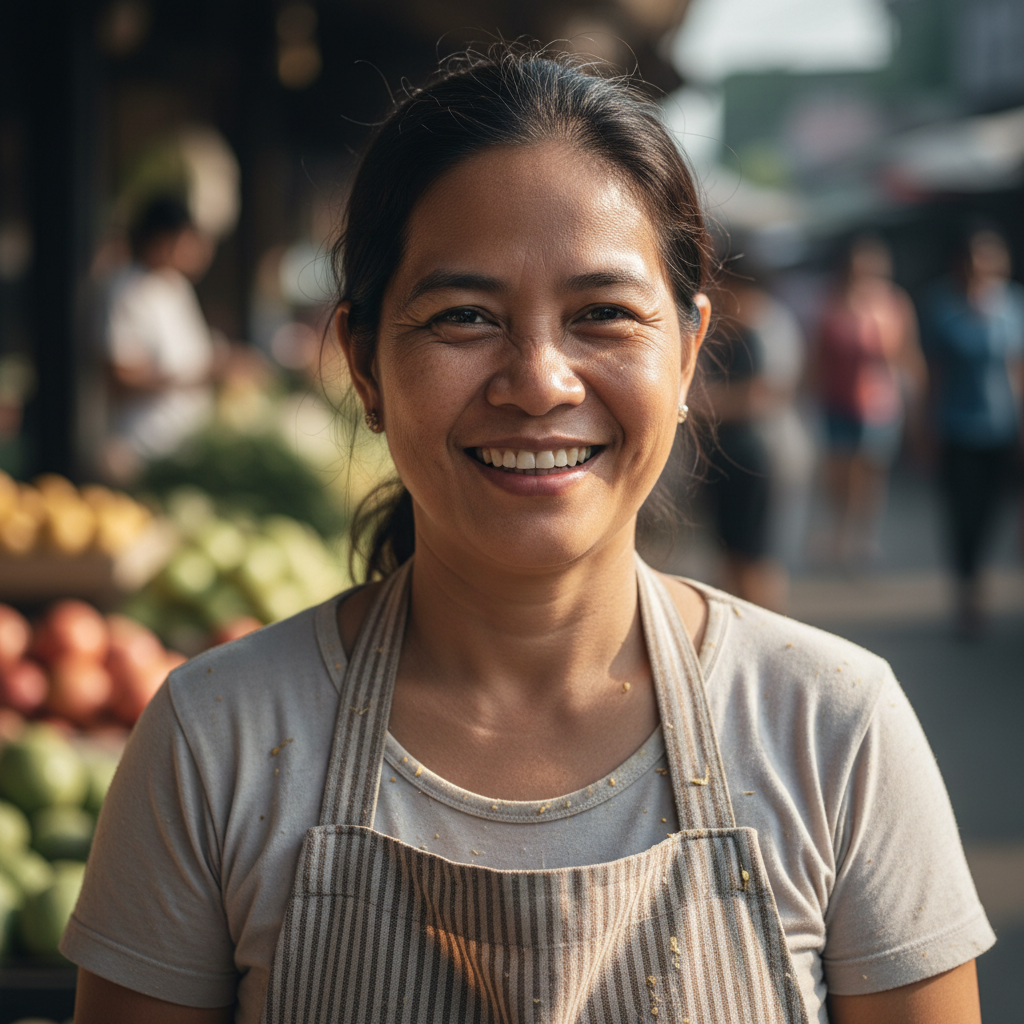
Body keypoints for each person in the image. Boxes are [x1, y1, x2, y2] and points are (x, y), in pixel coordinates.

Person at [63, 48, 992, 1024]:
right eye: (464, 316)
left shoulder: (831, 729)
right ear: (364, 366)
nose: (540, 381)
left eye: (601, 314)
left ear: (684, 359)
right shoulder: (217, 743)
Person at [920, 226, 1024, 637]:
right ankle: (968, 591)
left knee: (993, 512)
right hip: (956, 429)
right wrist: (925, 430)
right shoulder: (942, 307)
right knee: (964, 515)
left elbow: (1017, 370)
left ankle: (979, 578)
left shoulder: (1013, 305)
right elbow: (933, 374)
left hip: (1002, 429)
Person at [812, 236, 926, 569]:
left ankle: (860, 536)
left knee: (870, 473)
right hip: (837, 402)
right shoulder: (832, 302)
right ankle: (841, 530)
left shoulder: (894, 303)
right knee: (841, 473)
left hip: (879, 405)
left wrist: (918, 407)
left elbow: (909, 355)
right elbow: (817, 357)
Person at [102, 196, 218, 482]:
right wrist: (199, 374)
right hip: (145, 449)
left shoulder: (175, 287)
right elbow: (121, 377)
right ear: (163, 240)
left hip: (186, 446)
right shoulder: (125, 291)